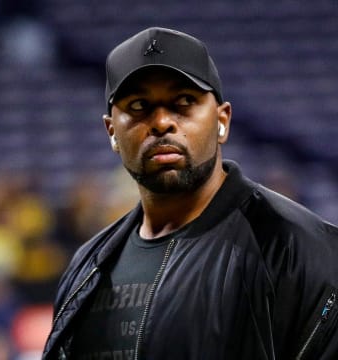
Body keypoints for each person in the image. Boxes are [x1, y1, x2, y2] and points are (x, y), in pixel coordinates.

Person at [42, 27, 338, 360]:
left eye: (184, 102)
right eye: (139, 106)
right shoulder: (87, 267)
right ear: (112, 131)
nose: (162, 122)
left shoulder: (298, 249)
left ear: (222, 120)